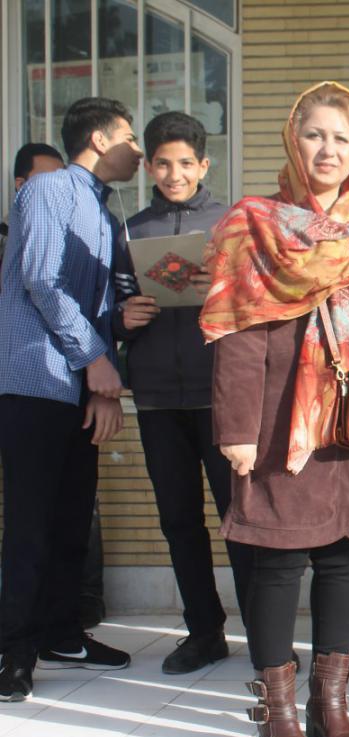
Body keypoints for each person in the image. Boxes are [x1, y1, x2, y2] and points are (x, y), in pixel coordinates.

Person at [202, 82, 349, 737]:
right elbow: (236, 330)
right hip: (281, 421)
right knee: (279, 560)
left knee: (343, 557)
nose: (328, 149)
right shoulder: (253, 223)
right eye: (315, 134)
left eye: (342, 138)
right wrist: (236, 426)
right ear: (293, 140)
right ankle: (277, 712)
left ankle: (329, 704)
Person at [0, 97, 141, 702]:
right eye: (130, 137)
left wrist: (104, 381)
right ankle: (14, 652)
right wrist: (95, 359)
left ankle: (62, 634)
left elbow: (98, 306)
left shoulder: (103, 212)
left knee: (71, 519)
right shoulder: (49, 188)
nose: (138, 151)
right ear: (100, 139)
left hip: (80, 386)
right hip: (35, 380)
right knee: (30, 522)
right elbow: (42, 279)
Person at [111, 111, 254, 674]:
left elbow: (262, 306)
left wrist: (219, 289)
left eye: (185, 163)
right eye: (163, 164)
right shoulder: (130, 230)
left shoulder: (232, 224)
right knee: (178, 520)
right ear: (148, 166)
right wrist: (123, 319)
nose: (174, 174)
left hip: (221, 393)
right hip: (155, 398)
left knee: (239, 518)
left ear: (204, 165)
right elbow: (112, 309)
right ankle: (204, 632)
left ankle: (265, 634)